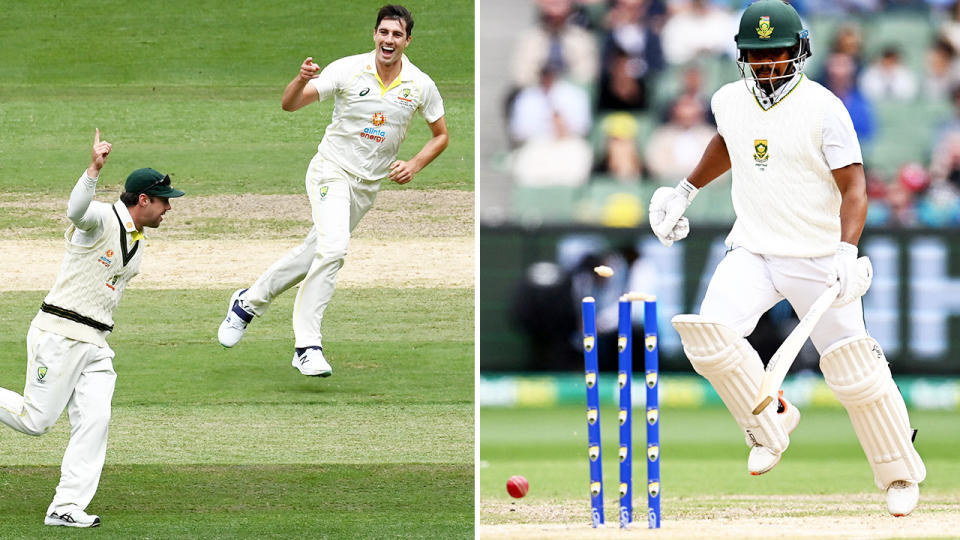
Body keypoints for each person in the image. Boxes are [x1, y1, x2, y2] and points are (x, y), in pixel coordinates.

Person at [647, 0, 925, 517]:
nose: (768, 65)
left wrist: (846, 251)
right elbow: (729, 143)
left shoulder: (823, 107)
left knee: (852, 369)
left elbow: (855, 188)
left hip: (820, 259)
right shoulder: (729, 99)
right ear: (742, 56)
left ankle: (899, 473)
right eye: (757, 55)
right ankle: (771, 418)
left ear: (799, 51)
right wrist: (684, 190)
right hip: (753, 247)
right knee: (707, 336)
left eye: (777, 54)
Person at [217, 5, 448, 378]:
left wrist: (414, 164)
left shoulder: (420, 84)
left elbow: (441, 136)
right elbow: (290, 104)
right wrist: (299, 78)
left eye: (396, 35)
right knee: (335, 249)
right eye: (383, 32)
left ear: (408, 40)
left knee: (315, 252)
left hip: (366, 186)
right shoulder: (348, 69)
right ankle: (307, 346)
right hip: (331, 171)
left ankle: (247, 302)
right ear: (375, 35)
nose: (388, 40)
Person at [0, 129, 185, 527]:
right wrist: (93, 170)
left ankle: (65, 507)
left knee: (95, 420)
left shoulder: (137, 240)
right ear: (143, 199)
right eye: (164, 202)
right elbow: (76, 211)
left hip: (96, 343)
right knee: (37, 421)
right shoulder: (101, 218)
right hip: (60, 333)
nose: (168, 210)